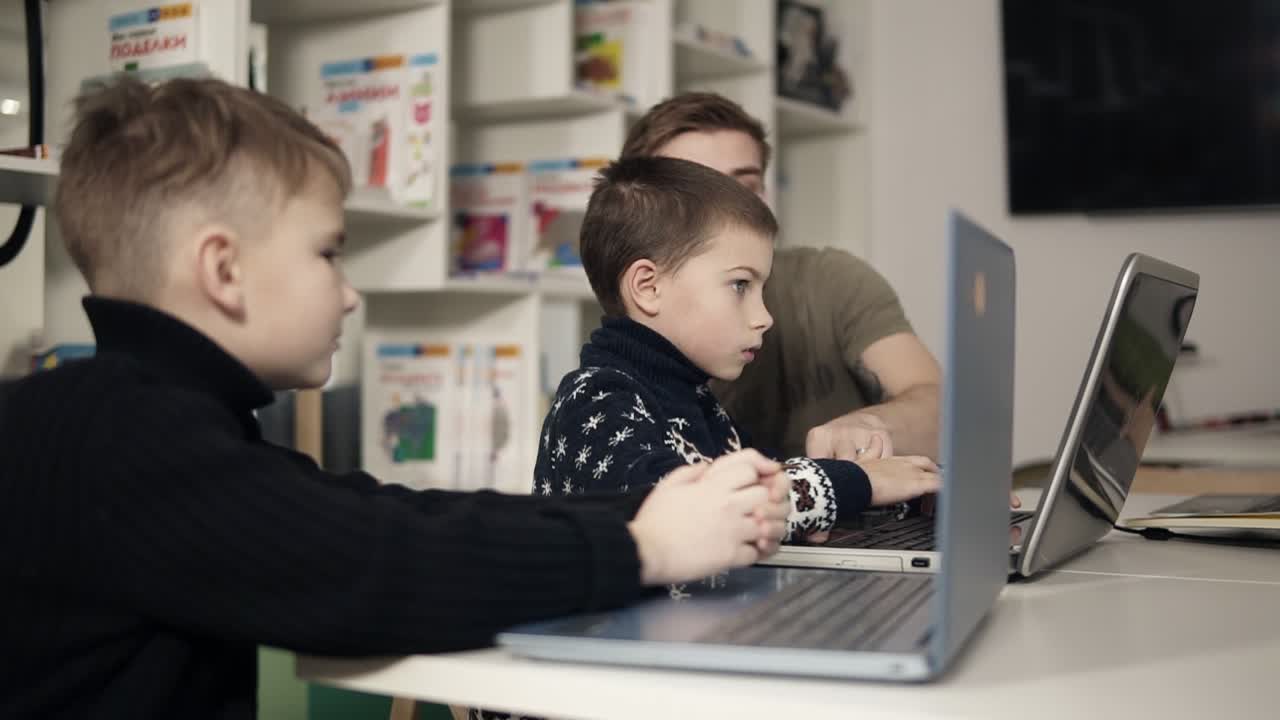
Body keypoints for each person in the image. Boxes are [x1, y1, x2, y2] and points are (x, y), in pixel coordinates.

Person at [0, 76, 792, 718]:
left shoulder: (145, 422)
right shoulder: (119, 439)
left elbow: (384, 514)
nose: (347, 295)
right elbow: (376, 561)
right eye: (328, 253)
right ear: (223, 269)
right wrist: (647, 547)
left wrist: (643, 511)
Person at [533, 155, 940, 542]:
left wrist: (911, 491)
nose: (765, 316)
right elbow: (695, 512)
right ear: (648, 288)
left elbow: (780, 495)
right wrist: (860, 482)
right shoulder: (597, 400)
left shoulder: (698, 406)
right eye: (741, 285)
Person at [620, 92, 943, 463]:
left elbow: (938, 403)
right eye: (698, 190)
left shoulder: (829, 280)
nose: (731, 209)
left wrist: (871, 426)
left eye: (745, 186)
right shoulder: (628, 351)